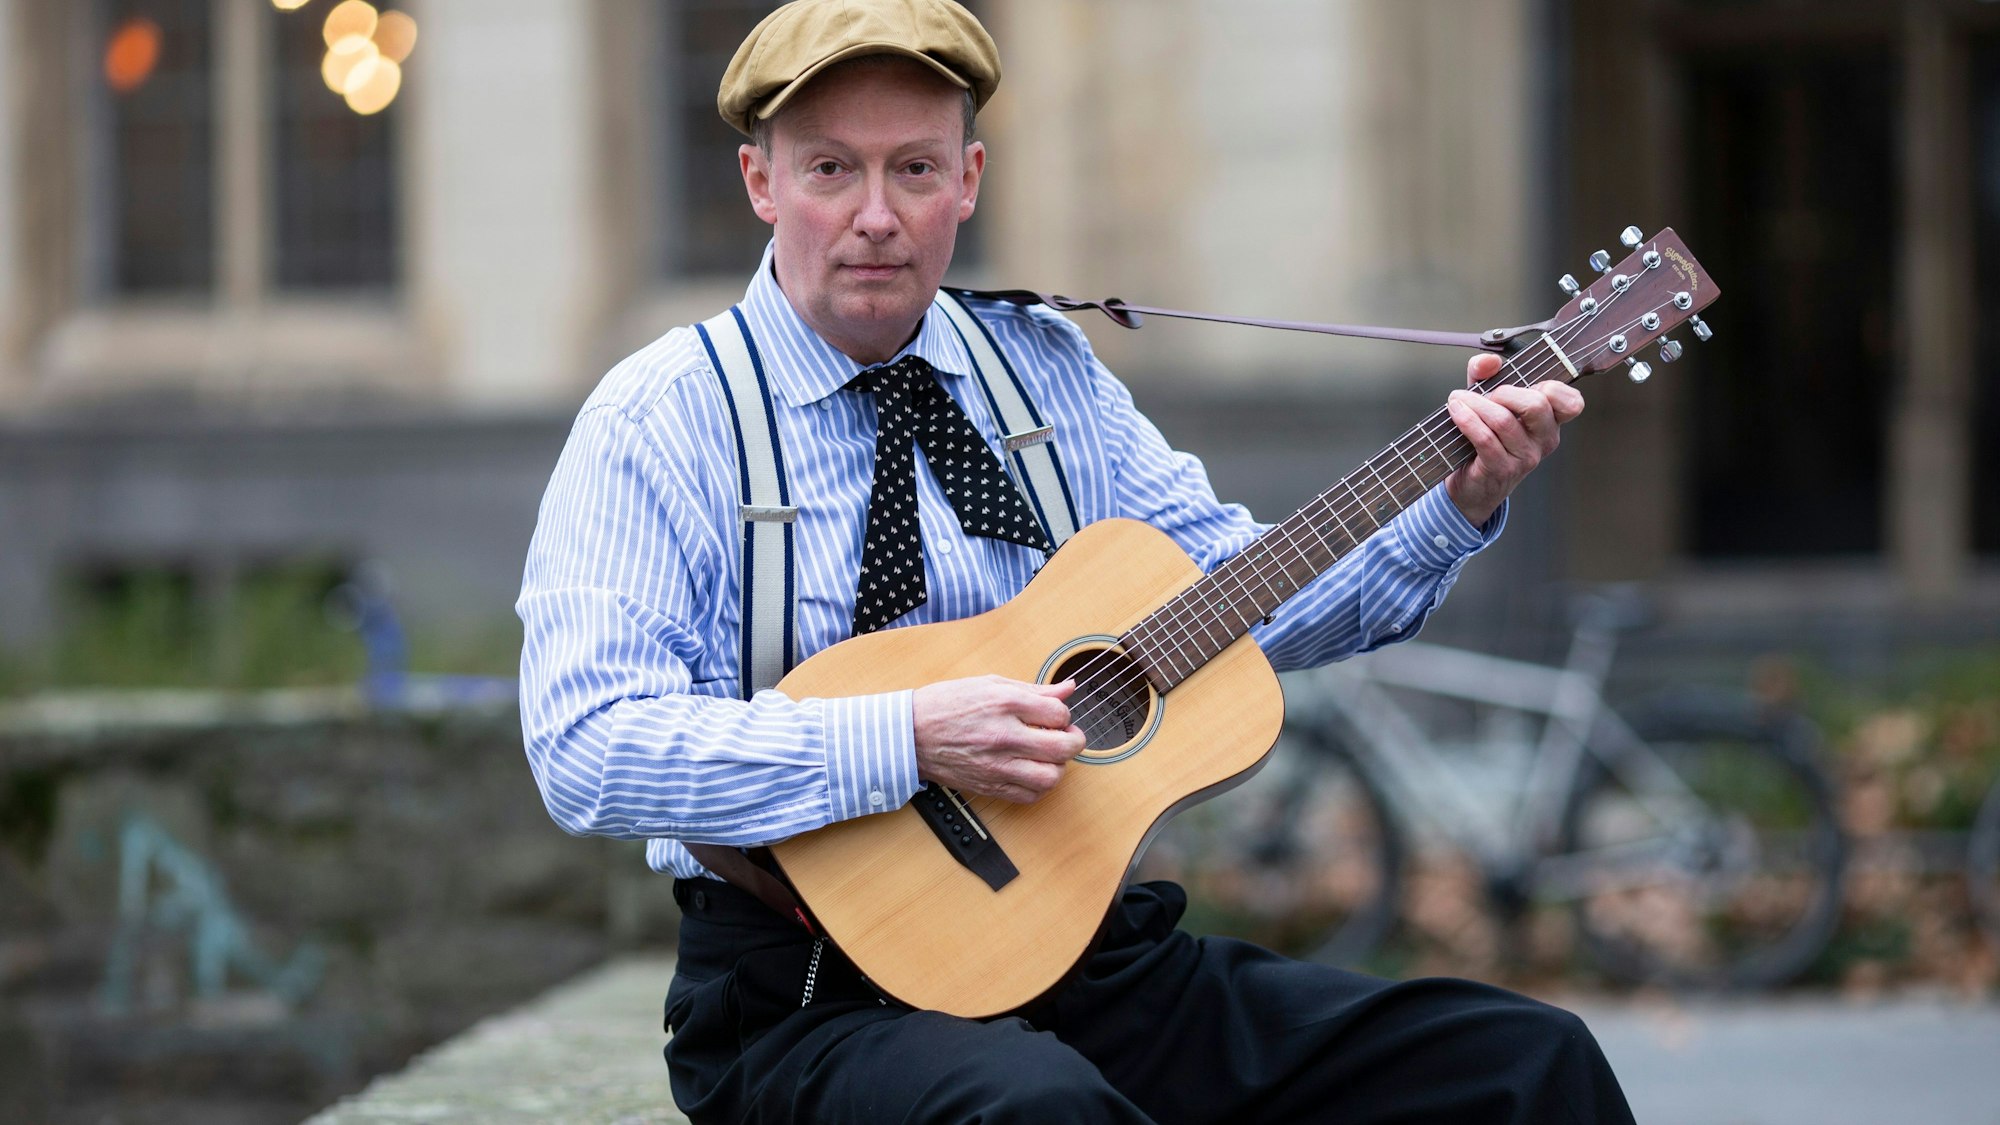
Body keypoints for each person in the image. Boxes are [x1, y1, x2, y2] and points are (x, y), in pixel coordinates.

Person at [517, 1, 1633, 1121]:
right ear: (762, 183)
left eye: (913, 169)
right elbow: (584, 748)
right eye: (828, 171)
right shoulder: (662, 419)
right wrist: (906, 738)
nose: (874, 217)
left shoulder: (1045, 380)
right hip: (806, 1000)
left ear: (969, 179)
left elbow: (1241, 604)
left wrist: (1451, 500)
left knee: (1521, 1065)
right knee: (1036, 1112)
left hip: (1087, 960)